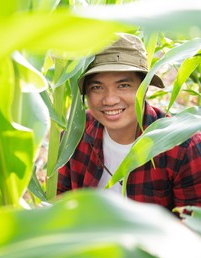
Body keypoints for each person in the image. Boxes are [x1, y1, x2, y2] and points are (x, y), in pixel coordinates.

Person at [57, 33, 201, 211]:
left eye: (123, 85)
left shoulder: (183, 148)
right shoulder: (73, 138)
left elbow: (192, 226)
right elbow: (59, 207)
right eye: (97, 87)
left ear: (144, 88)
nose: (109, 100)